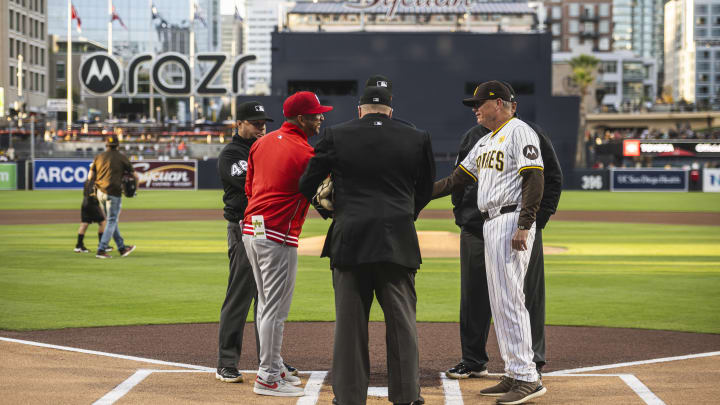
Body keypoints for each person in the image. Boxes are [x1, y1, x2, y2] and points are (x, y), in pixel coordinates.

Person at [298, 86, 435, 405]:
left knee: (349, 327)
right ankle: (406, 395)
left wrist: (330, 211)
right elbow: (426, 188)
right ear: (390, 110)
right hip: (397, 240)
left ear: (360, 110)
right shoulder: (417, 137)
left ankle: (348, 396)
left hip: (350, 239)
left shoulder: (336, 135)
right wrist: (406, 213)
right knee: (402, 325)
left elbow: (307, 183)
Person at [433, 81, 546, 405]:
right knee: (500, 301)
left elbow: (534, 178)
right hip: (491, 222)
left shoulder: (520, 131)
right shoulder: (486, 142)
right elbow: (456, 180)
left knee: (511, 300)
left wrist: (525, 225)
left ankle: (528, 377)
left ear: (499, 103)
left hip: (511, 218)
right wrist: (413, 194)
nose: (475, 108)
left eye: (480, 103)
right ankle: (513, 371)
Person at [242, 91, 333, 397]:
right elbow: (322, 196)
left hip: (251, 228)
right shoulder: (304, 153)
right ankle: (267, 376)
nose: (321, 118)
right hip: (277, 233)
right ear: (301, 118)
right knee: (275, 309)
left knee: (266, 304)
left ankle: (274, 364)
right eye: (316, 114)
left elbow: (249, 187)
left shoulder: (260, 143)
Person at [216, 101, 297, 383]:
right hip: (241, 227)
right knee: (240, 294)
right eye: (255, 122)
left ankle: (271, 359)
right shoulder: (232, 153)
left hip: (264, 228)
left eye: (264, 122)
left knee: (268, 297)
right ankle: (226, 361)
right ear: (239, 124)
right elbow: (256, 182)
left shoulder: (267, 147)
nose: (262, 127)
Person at [89, 135, 138, 259]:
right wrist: (135, 189)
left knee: (112, 220)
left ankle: (122, 248)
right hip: (114, 192)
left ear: (106, 145)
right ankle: (101, 249)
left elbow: (90, 177)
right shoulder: (122, 158)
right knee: (112, 220)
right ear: (118, 145)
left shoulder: (99, 157)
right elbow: (135, 176)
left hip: (100, 192)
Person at [74, 178, 112, 253]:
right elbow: (95, 194)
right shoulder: (97, 180)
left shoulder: (87, 180)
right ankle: (102, 245)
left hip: (85, 203)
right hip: (92, 204)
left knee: (84, 224)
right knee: (103, 222)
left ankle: (79, 245)